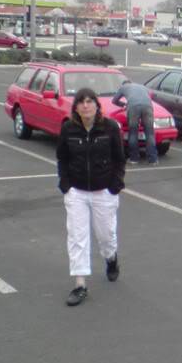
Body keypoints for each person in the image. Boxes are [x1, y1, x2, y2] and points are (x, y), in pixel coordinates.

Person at [56, 88, 126, 306]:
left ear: (97, 105)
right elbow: (62, 159)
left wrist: (115, 185)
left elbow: (119, 159)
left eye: (90, 101)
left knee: (105, 235)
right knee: (77, 237)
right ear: (76, 107)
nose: (86, 105)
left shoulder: (110, 128)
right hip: (76, 192)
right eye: (81, 102)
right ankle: (80, 284)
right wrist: (66, 185)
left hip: (103, 191)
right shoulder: (68, 129)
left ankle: (111, 258)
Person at [112, 79, 157, 165]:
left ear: (124, 84)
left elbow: (114, 100)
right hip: (148, 106)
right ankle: (153, 159)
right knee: (150, 133)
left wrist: (123, 105)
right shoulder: (142, 86)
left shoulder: (123, 87)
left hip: (133, 107)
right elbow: (151, 95)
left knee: (133, 133)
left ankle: (134, 159)